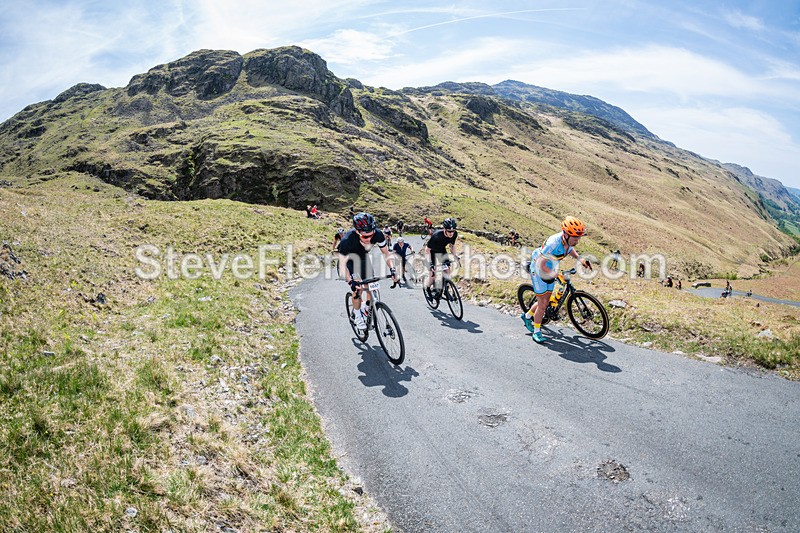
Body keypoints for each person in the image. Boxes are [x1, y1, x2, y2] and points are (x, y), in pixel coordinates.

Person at [521, 216, 592, 344]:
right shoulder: (553, 243)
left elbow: (570, 249)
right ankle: (536, 331)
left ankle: (527, 316)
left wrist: (580, 259)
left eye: (579, 238)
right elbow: (540, 265)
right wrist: (556, 275)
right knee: (542, 306)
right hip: (538, 270)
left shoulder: (567, 241)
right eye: (575, 238)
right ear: (566, 234)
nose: (577, 241)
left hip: (550, 269)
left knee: (545, 301)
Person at [338, 213, 397, 329]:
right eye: (365, 237)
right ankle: (357, 315)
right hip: (350, 260)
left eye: (371, 235)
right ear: (357, 232)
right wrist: (350, 281)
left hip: (363, 258)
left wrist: (393, 269)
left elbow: (386, 253)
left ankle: (366, 308)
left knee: (371, 286)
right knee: (358, 289)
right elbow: (342, 265)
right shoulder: (347, 240)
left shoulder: (378, 234)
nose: (369, 239)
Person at [424, 218, 458, 297]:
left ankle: (446, 289)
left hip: (442, 251)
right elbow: (427, 250)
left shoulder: (454, 234)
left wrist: (455, 256)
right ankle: (427, 288)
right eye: (449, 231)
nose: (451, 233)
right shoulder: (437, 235)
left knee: (447, 272)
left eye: (453, 231)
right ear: (445, 229)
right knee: (433, 275)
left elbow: (452, 246)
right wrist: (430, 264)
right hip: (432, 252)